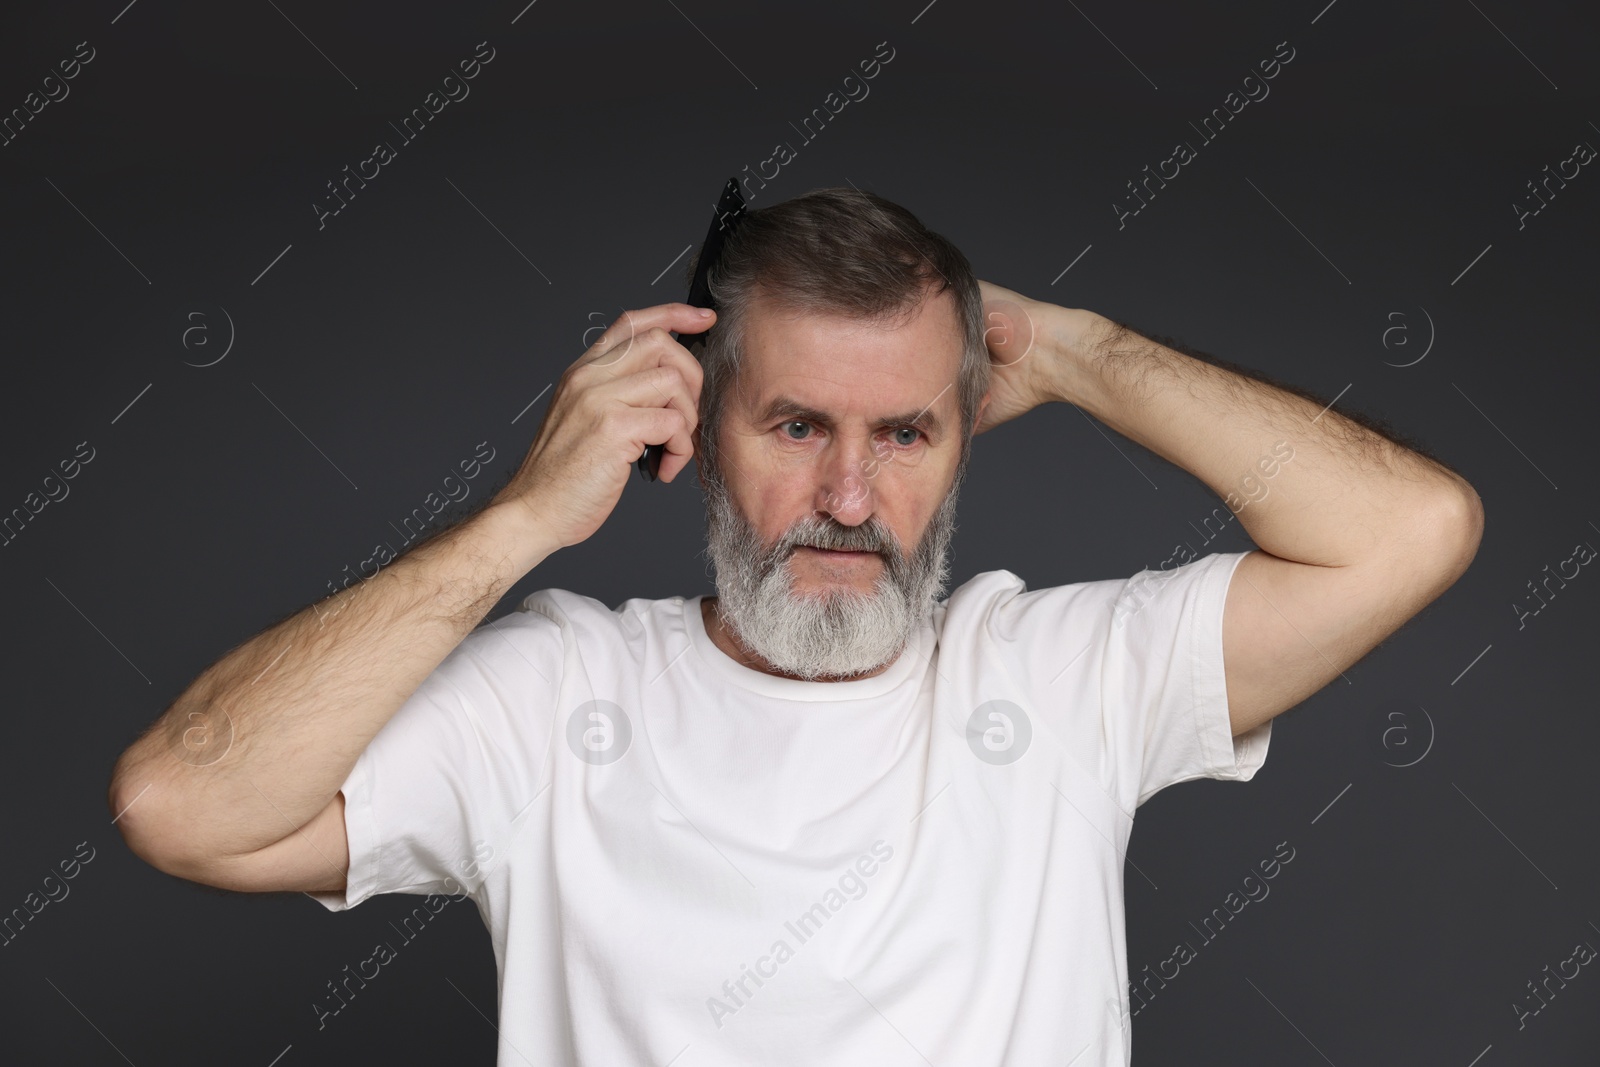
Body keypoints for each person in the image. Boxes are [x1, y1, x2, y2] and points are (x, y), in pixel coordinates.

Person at [107, 188, 1483, 1065]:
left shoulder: (1063, 682)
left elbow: (1411, 529)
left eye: (903, 432)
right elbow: (184, 803)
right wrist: (519, 523)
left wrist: (1069, 351)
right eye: (795, 425)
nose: (846, 495)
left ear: (962, 439)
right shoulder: (552, 698)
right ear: (696, 429)